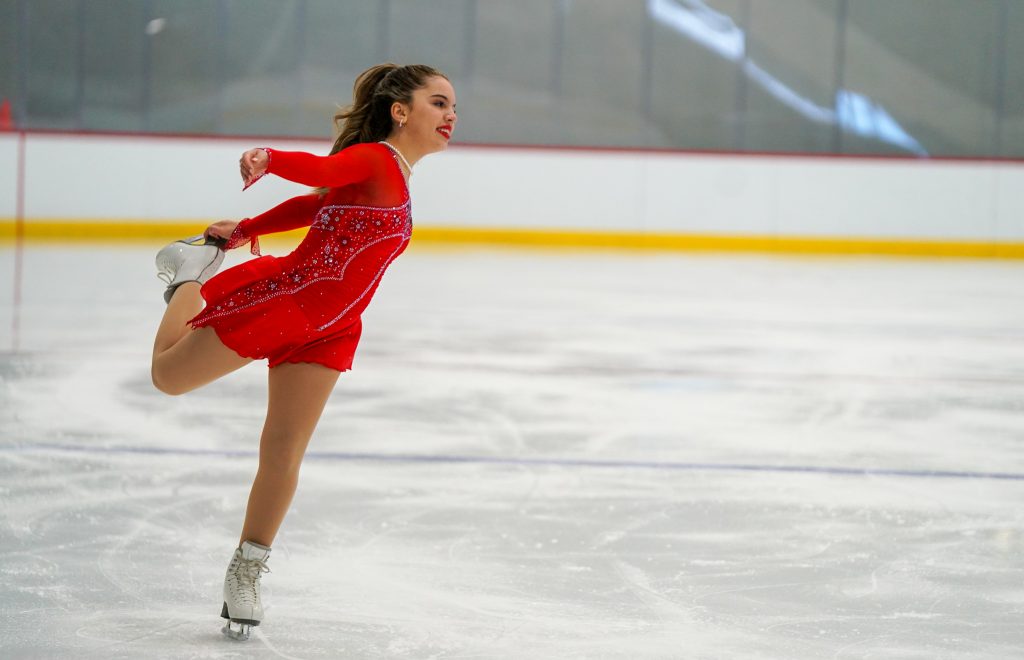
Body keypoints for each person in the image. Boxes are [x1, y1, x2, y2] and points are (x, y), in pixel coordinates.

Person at [150, 63, 456, 641]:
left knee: (283, 449)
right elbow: (321, 170)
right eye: (439, 103)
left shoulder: (396, 177)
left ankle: (246, 570)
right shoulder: (374, 160)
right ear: (401, 111)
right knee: (168, 377)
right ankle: (188, 276)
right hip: (283, 305)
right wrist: (271, 158)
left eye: (452, 107)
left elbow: (317, 203)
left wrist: (243, 232)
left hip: (333, 328)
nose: (451, 116)